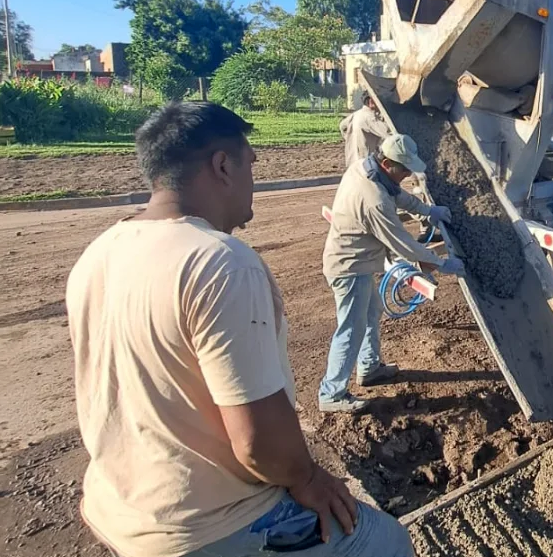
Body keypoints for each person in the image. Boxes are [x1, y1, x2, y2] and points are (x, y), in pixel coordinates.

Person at [66, 102, 413, 557]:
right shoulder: (220, 262)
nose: (253, 178)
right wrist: (308, 478)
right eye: (250, 162)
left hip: (117, 505)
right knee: (388, 541)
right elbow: (258, 444)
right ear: (223, 166)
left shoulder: (99, 252)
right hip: (205, 526)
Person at [320, 133, 464, 413]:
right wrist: (440, 263)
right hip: (349, 268)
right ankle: (331, 393)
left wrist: (427, 210)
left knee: (370, 314)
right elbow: (403, 244)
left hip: (360, 264)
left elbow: (398, 195)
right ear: (387, 163)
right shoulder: (373, 200)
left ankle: (369, 368)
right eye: (404, 169)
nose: (408, 174)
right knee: (351, 329)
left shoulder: (367, 169)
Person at [340, 91, 391, 169]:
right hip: (366, 164)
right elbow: (388, 134)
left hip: (353, 161)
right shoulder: (370, 117)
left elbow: (342, 126)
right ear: (371, 101)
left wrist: (348, 138)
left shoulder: (356, 114)